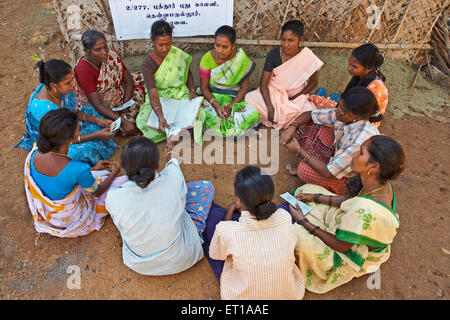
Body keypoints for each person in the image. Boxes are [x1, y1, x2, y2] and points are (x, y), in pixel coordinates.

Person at [289, 135, 405, 293]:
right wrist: (315, 197)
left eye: (361, 152)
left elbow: (341, 246)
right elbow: (348, 200)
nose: (355, 153)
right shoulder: (378, 183)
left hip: (350, 252)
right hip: (349, 225)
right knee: (309, 189)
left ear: (374, 167)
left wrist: (303, 222)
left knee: (296, 236)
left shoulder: (365, 210)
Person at [105, 137, 215, 275]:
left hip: (140, 265)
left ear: (124, 167)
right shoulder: (172, 179)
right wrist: (171, 150)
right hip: (182, 257)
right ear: (157, 166)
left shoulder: (113, 197)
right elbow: (173, 163)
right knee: (205, 188)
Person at [204, 166, 305, 300]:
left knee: (211, 217)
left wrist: (230, 210)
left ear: (238, 201)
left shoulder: (227, 231)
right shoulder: (284, 217)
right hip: (288, 295)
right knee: (285, 207)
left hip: (243, 296)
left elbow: (216, 254)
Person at [24, 108, 127, 238]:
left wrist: (93, 170)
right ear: (70, 139)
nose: (80, 128)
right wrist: (114, 173)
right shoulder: (78, 169)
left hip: (51, 205)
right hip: (70, 216)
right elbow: (97, 191)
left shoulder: (35, 151)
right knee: (122, 184)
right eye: (78, 128)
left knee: (93, 175)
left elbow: (63, 178)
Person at [15, 59, 117, 165]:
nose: (73, 84)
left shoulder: (63, 90)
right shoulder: (46, 109)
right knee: (78, 153)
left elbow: (73, 111)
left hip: (70, 125)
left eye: (73, 79)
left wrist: (97, 120)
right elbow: (64, 140)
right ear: (53, 86)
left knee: (101, 110)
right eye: (68, 83)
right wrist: (97, 135)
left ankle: (101, 135)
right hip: (57, 141)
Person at [281, 87, 380, 195]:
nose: (337, 110)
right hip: (341, 157)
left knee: (304, 171)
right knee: (312, 125)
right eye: (338, 105)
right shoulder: (344, 115)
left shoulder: (357, 143)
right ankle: (314, 160)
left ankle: (336, 190)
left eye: (342, 110)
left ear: (358, 116)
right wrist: (292, 127)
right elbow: (311, 115)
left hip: (350, 180)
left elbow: (328, 173)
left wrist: (299, 150)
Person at [244, 20, 323, 130]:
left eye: (291, 40)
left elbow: (314, 82)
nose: (286, 44)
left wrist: (297, 96)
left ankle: (280, 117)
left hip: (295, 96)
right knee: (250, 98)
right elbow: (263, 84)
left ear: (300, 40)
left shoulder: (307, 57)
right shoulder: (273, 55)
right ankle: (284, 118)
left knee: (309, 112)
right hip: (274, 92)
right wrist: (270, 107)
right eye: (283, 40)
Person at [136, 20, 199, 145]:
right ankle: (179, 132)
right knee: (144, 121)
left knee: (199, 114)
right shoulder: (148, 64)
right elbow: (153, 92)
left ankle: (177, 131)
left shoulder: (178, 54)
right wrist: (160, 116)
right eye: (161, 45)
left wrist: (192, 90)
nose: (165, 49)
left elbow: (187, 72)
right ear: (153, 42)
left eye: (168, 44)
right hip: (159, 98)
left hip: (180, 94)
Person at [74, 29, 145, 136]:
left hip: (120, 98)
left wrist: (125, 103)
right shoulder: (83, 70)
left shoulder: (111, 55)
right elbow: (98, 105)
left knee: (146, 78)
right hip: (100, 109)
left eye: (105, 47)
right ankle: (124, 121)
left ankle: (127, 115)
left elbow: (128, 79)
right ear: (86, 51)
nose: (104, 52)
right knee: (116, 127)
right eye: (98, 50)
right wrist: (123, 121)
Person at [197, 25, 260, 141]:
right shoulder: (206, 59)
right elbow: (204, 88)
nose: (220, 50)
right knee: (201, 114)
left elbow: (244, 87)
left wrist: (231, 106)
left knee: (254, 114)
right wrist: (216, 105)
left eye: (225, 47)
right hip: (212, 99)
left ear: (233, 46)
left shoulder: (240, 60)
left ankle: (223, 130)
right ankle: (233, 131)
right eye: (217, 45)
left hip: (234, 99)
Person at [311, 43, 388, 127]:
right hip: (350, 112)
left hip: (361, 123)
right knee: (313, 99)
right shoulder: (362, 76)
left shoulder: (376, 89)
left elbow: (360, 117)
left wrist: (335, 113)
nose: (349, 67)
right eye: (349, 63)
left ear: (369, 68)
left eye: (354, 66)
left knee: (317, 110)